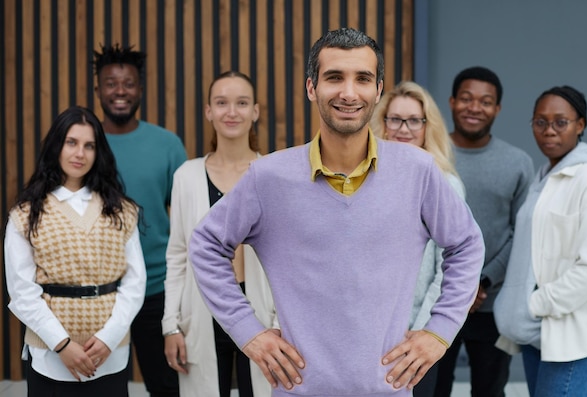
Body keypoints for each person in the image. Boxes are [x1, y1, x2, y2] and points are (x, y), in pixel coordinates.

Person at [189, 28, 485, 397]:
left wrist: (438, 331)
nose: (348, 92)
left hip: (389, 390)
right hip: (299, 390)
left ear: (378, 90)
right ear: (312, 88)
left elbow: (467, 245)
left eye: (362, 79)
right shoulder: (269, 177)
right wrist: (249, 333)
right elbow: (205, 245)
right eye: (334, 78)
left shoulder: (419, 171)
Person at [4, 106, 146, 397]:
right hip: (50, 357)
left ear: (98, 152)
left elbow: (135, 282)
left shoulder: (121, 209)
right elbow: (21, 291)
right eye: (71, 142)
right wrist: (62, 344)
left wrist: (109, 337)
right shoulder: (26, 213)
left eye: (89, 145)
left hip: (109, 355)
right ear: (56, 146)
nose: (80, 153)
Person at [493, 86, 587, 396]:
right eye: (540, 121)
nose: (549, 130)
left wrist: (534, 305)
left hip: (573, 333)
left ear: (581, 125)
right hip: (541, 333)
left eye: (560, 122)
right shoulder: (544, 178)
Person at [162, 71, 277, 397]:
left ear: (255, 111)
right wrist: (171, 325)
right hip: (201, 313)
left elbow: (289, 259)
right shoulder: (187, 176)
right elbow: (178, 256)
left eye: (241, 103)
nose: (232, 112)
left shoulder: (272, 174)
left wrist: (282, 323)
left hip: (261, 314)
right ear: (209, 111)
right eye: (222, 103)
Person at [93, 44, 188, 396]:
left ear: (140, 90)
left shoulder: (167, 145)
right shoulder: (83, 145)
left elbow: (184, 222)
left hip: (156, 289)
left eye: (128, 83)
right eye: (110, 83)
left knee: (167, 386)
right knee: (99, 386)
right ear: (98, 90)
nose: (120, 92)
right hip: (98, 292)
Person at [434, 66, 534, 397]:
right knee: (431, 389)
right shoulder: (431, 156)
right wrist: (457, 287)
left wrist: (481, 282)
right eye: (466, 98)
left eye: (486, 101)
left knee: (490, 391)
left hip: (490, 303)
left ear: (498, 108)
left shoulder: (517, 162)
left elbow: (521, 235)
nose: (474, 107)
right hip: (435, 300)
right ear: (451, 102)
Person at [370, 80, 465, 397]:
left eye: (414, 120)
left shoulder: (444, 184)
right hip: (366, 332)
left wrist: (425, 330)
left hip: (413, 336)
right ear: (383, 125)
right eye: (395, 119)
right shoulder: (365, 179)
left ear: (428, 127)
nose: (403, 129)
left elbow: (448, 267)